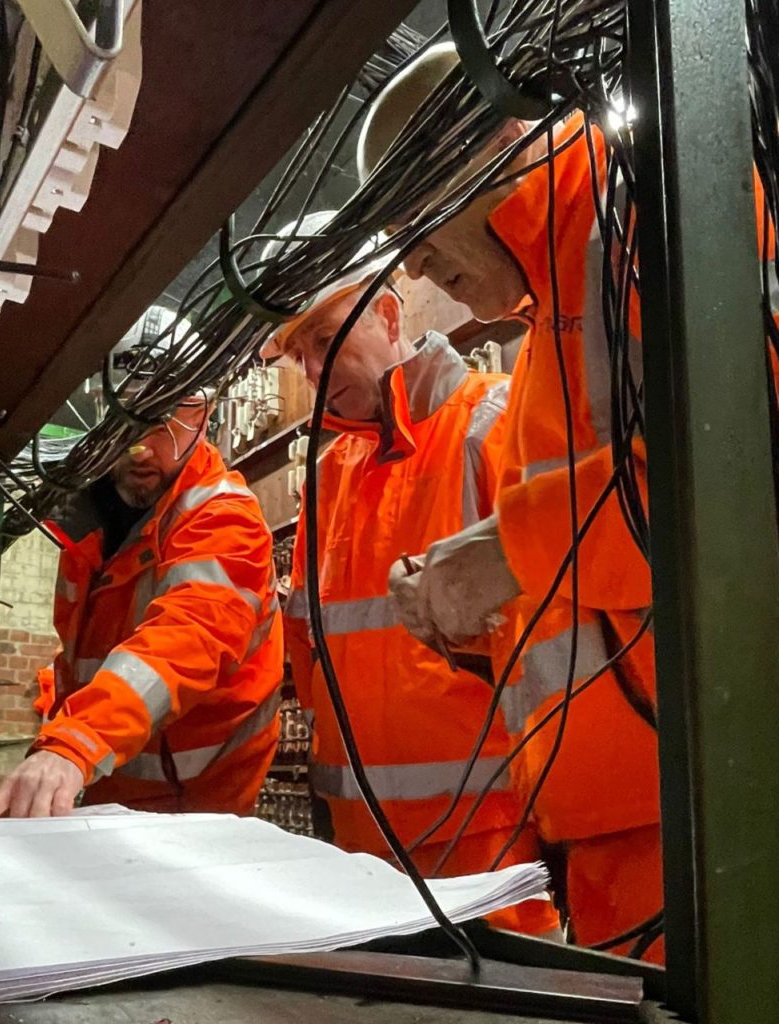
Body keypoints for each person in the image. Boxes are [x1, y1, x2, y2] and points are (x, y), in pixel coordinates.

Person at [354, 42, 682, 959]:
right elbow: (593, 592)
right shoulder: (552, 319)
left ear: (498, 144)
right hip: (609, 844)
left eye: (418, 214)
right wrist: (473, 613)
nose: (415, 266)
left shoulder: (656, 222)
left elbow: (731, 478)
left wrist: (500, 557)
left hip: (703, 826)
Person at [264, 212, 561, 938]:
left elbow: (561, 634)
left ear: (390, 314)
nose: (314, 372)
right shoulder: (328, 479)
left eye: (328, 341)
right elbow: (312, 650)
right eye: (300, 356)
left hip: (489, 859)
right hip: (357, 861)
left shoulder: (493, 421)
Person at [0, 307, 283, 819]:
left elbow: (184, 641)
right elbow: (81, 666)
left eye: (164, 419)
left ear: (200, 415)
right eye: (126, 419)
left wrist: (73, 742)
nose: (140, 446)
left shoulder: (223, 516)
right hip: (107, 798)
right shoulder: (91, 526)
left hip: (198, 812)